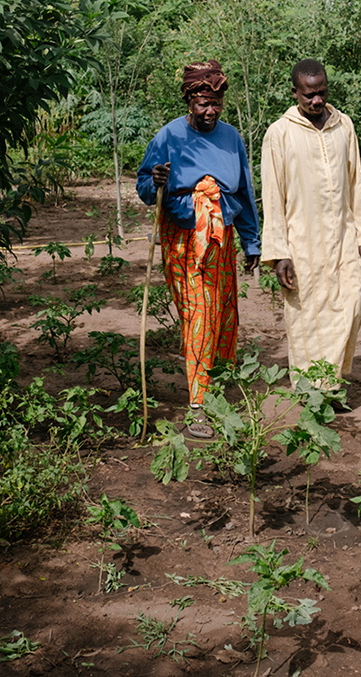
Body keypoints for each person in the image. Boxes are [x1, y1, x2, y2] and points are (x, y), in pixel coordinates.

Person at [136, 60, 261, 439]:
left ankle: (217, 388)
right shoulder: (168, 137)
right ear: (189, 100)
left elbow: (243, 192)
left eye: (216, 103)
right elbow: (145, 187)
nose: (210, 111)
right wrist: (154, 179)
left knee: (223, 314)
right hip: (184, 239)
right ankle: (198, 407)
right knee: (199, 314)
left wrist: (252, 241)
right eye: (202, 103)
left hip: (222, 241)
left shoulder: (231, 137)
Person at [260, 58, 361, 400]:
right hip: (301, 243)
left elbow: (356, 184)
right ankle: (317, 393)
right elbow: (272, 196)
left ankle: (331, 379)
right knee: (308, 318)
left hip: (343, 238)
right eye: (309, 95)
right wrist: (279, 253)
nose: (316, 101)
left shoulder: (344, 126)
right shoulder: (279, 134)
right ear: (295, 92)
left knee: (354, 303)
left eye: (322, 93)